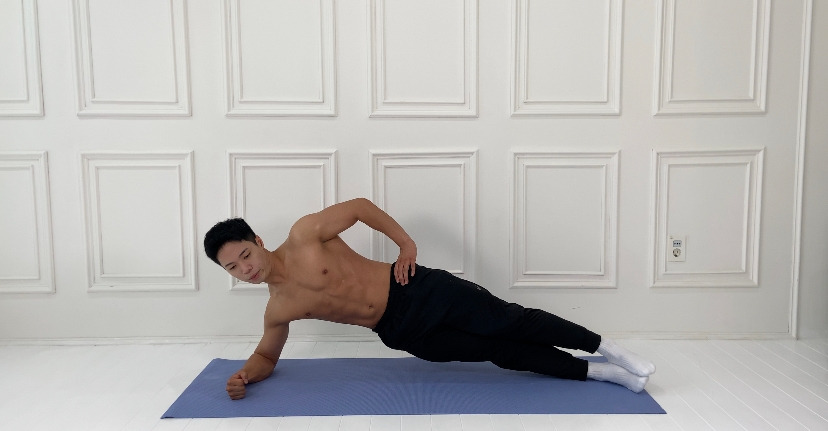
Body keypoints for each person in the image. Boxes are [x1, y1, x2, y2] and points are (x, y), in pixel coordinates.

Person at [204, 198, 655, 400]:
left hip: (414, 287)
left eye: (245, 255)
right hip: (401, 332)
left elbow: (359, 207)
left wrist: (406, 245)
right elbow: (267, 356)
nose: (246, 268)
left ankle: (607, 347)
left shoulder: (304, 235)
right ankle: (598, 373)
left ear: (258, 241)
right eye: (233, 268)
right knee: (498, 352)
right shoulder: (277, 309)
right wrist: (246, 376)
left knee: (510, 320)